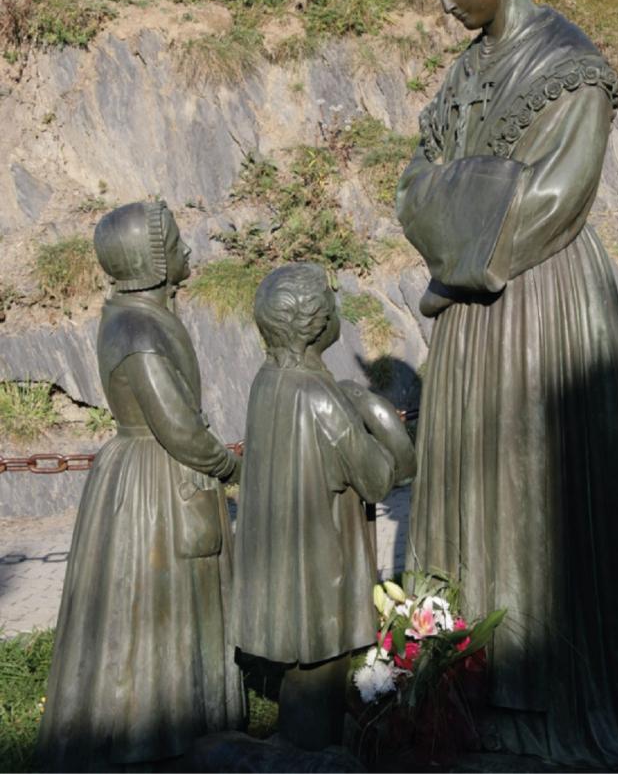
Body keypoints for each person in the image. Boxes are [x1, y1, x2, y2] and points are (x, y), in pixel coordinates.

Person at [378, 0, 618, 768]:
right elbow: (410, 189)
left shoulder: (568, 64)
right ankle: (470, 690)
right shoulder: (463, 76)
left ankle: (548, 689)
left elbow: (552, 197)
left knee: (539, 486)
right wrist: (465, 196)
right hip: (473, 320)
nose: (442, 5)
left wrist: (461, 202)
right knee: (470, 480)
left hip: (543, 308)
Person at [36, 201, 244, 772]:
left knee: (139, 605)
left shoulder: (129, 316)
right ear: (149, 260)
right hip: (154, 480)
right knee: (154, 607)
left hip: (137, 470)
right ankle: (154, 731)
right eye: (174, 244)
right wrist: (230, 468)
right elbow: (177, 426)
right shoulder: (139, 330)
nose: (186, 252)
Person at [233, 262, 415, 751]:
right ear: (317, 324)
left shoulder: (267, 380)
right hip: (321, 577)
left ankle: (305, 745)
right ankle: (313, 757)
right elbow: (379, 478)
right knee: (320, 673)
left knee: (302, 676)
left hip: (286, 570)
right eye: (332, 304)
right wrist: (375, 413)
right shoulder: (322, 400)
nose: (339, 312)